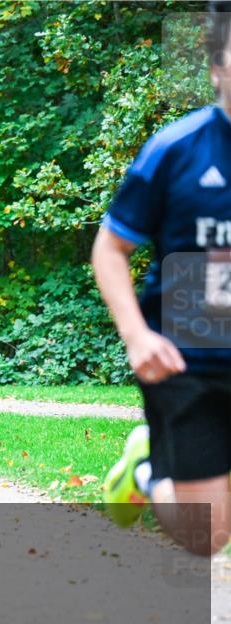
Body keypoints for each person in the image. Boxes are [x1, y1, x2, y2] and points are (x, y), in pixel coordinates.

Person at [92, 0, 231, 557]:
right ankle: (148, 471)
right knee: (206, 534)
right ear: (218, 68)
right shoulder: (176, 149)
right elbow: (110, 246)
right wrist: (136, 336)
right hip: (187, 358)